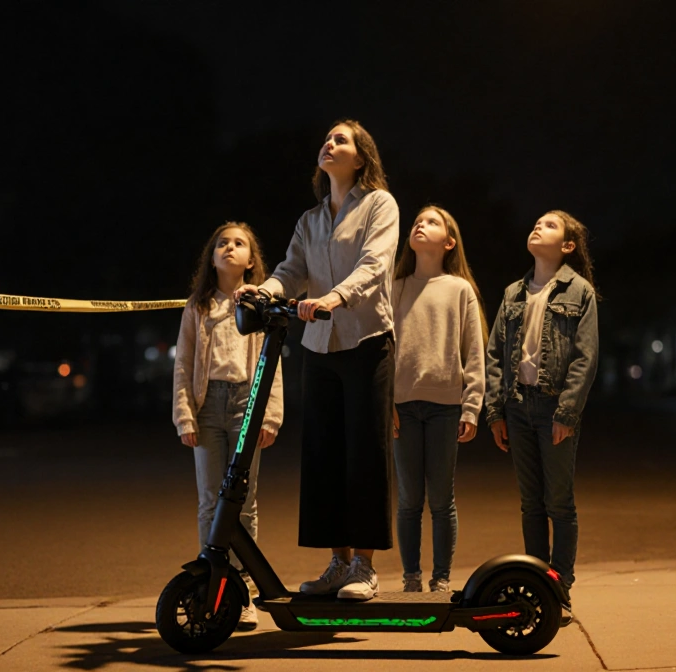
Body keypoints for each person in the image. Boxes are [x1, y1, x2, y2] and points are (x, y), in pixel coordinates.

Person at [235, 119, 399, 601]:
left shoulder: (378, 205)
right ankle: (337, 563)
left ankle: (365, 568)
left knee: (364, 454)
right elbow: (291, 270)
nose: (329, 145)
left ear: (361, 157)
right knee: (324, 456)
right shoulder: (310, 219)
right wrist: (262, 291)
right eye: (326, 140)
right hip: (319, 347)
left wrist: (336, 298)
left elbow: (376, 263)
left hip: (366, 340)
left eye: (340, 140)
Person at [484, 210, 600, 622]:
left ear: (567, 245)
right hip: (517, 406)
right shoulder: (513, 291)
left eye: (549, 225)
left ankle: (560, 586)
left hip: (554, 408)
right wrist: (495, 411)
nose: (537, 227)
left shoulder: (579, 291)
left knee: (559, 503)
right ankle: (537, 583)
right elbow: (495, 353)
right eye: (535, 222)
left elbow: (585, 358)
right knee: (530, 503)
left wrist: (567, 411)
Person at [173, 222, 283, 631]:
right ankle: (211, 587)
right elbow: (183, 365)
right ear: (212, 256)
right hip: (208, 407)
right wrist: (184, 414)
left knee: (244, 502)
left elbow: (273, 364)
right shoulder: (197, 307)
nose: (230, 248)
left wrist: (270, 415)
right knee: (209, 501)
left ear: (251, 260)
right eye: (223, 242)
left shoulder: (258, 307)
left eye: (240, 244)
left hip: (246, 405)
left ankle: (244, 591)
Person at [391, 205, 486, 592]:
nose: (420, 225)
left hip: (447, 406)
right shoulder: (394, 287)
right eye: (417, 221)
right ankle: (411, 577)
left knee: (441, 499)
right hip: (402, 407)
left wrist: (472, 405)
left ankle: (441, 579)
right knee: (409, 499)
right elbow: (382, 350)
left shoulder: (459, 289)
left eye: (431, 222)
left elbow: (474, 351)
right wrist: (386, 403)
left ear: (449, 242)